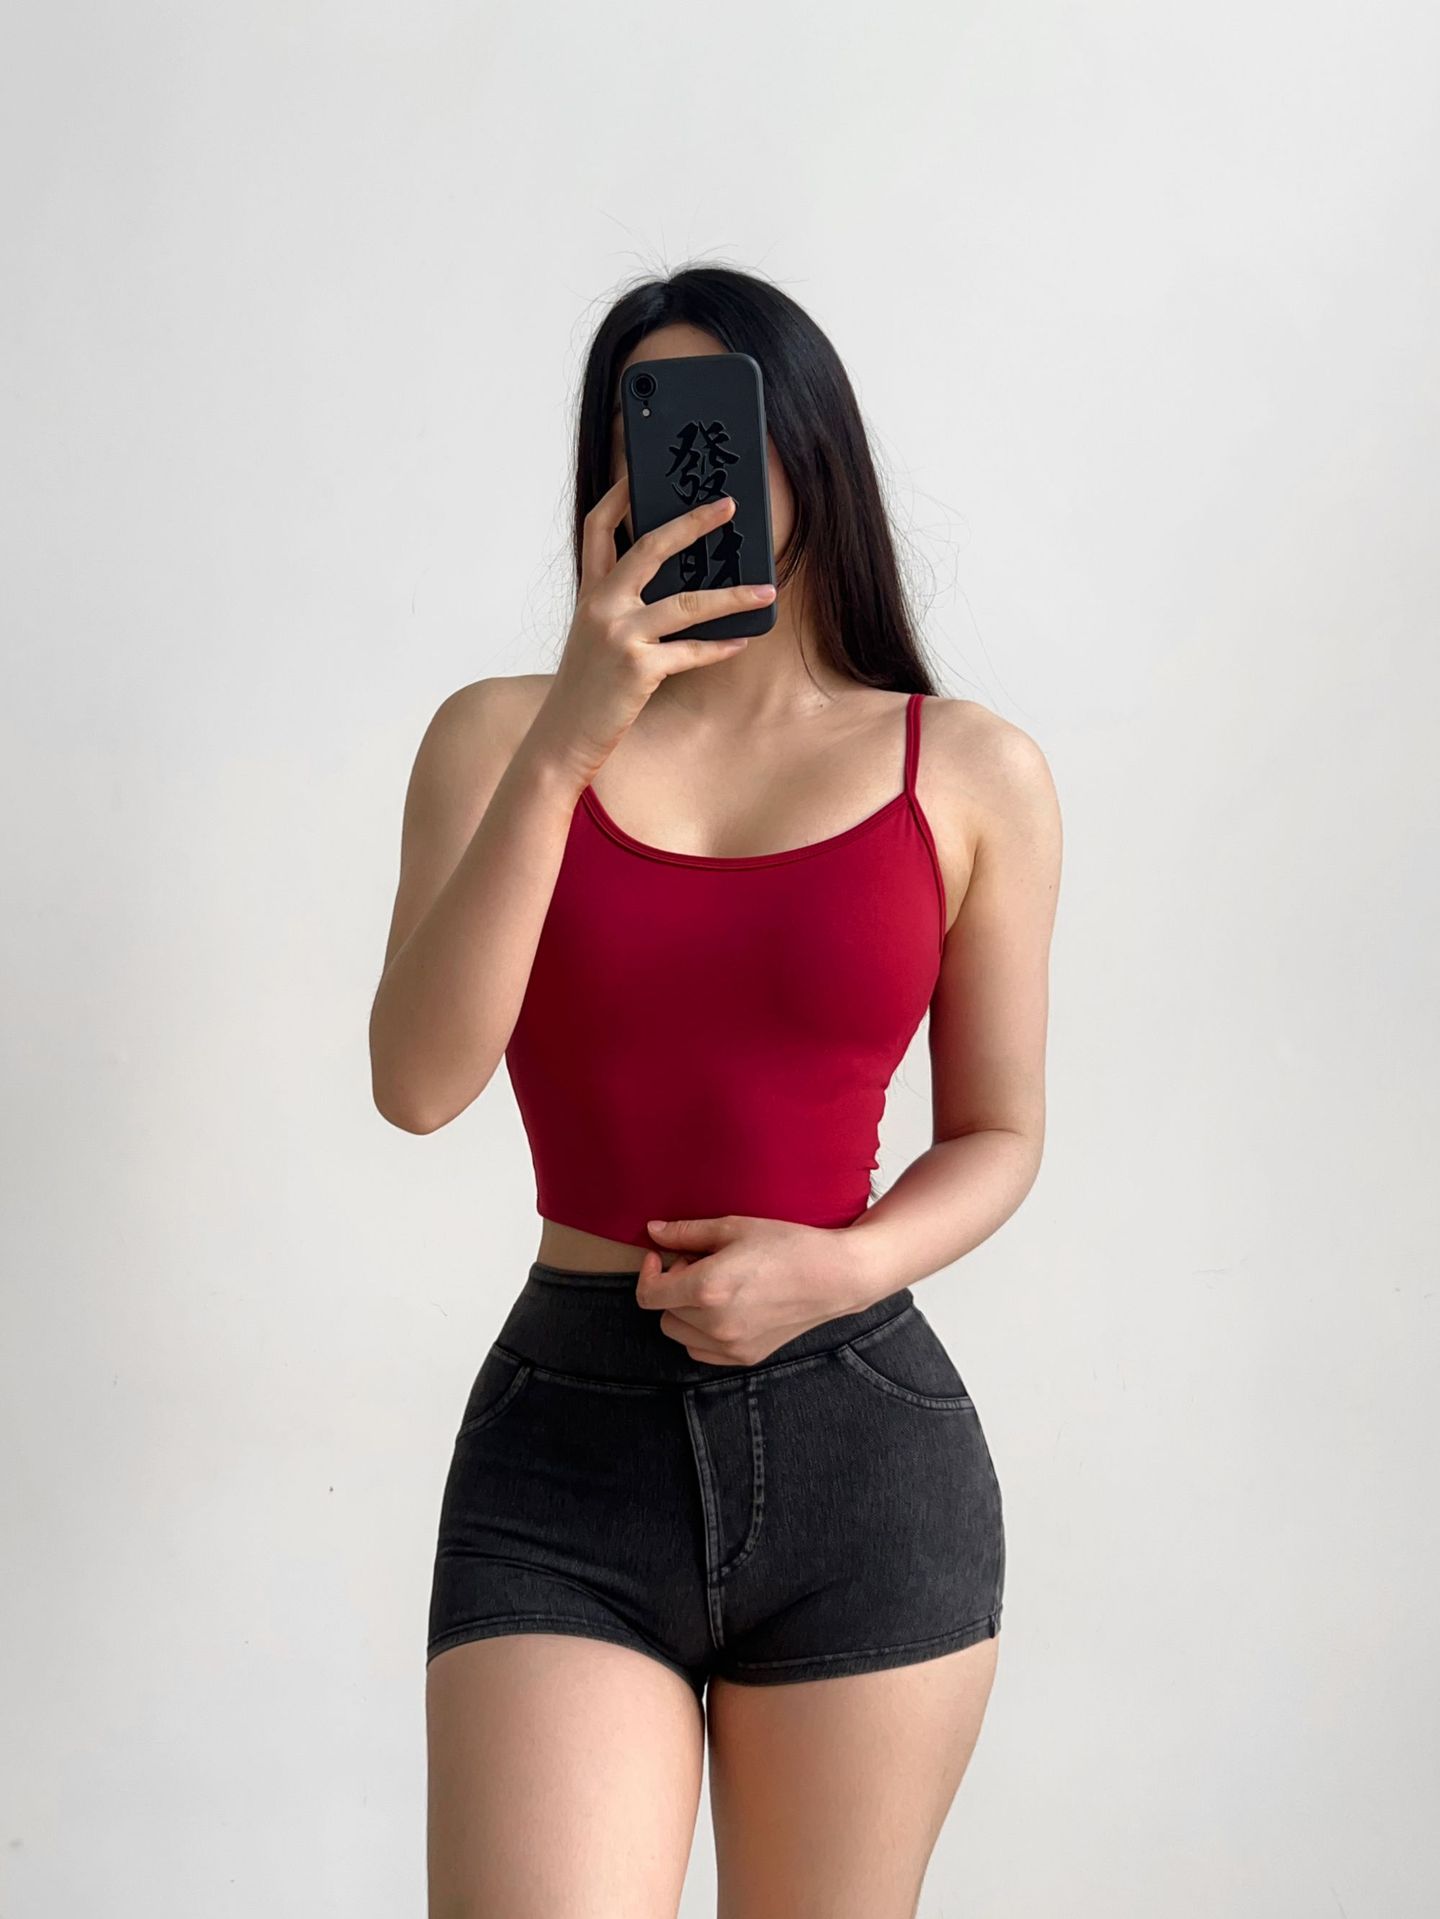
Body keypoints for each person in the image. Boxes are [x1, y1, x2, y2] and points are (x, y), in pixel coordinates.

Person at [369, 265, 1062, 1919]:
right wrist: (573, 733)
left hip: (860, 1447)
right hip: (567, 1444)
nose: (690, 473)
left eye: (725, 424)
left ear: (809, 446)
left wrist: (844, 1266)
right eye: (646, 431)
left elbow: (1000, 1131)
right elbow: (416, 1081)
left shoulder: (969, 769)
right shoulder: (497, 738)